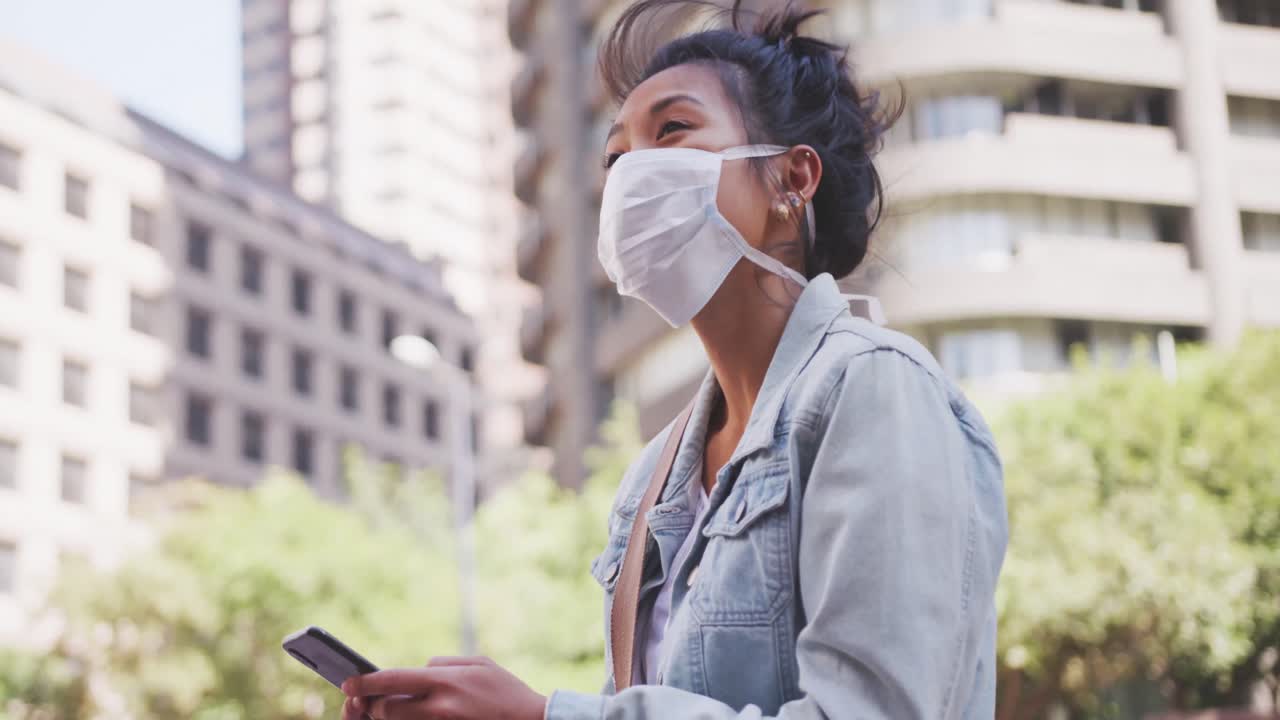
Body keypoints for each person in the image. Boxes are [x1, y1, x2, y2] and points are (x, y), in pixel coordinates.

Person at [341, 1, 1008, 718]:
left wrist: (542, 717)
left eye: (673, 131)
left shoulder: (872, 387)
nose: (632, 175)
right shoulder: (650, 482)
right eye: (617, 155)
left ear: (793, 180)